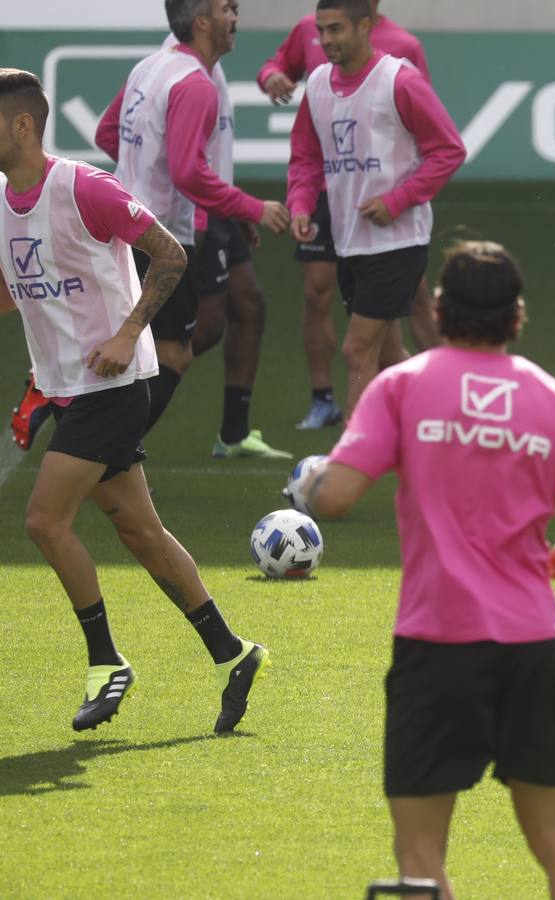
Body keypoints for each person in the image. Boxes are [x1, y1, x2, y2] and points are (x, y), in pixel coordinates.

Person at [301, 241, 555, 898]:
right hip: (530, 645)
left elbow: (336, 499)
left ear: (435, 307)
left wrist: (315, 478)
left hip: (436, 645)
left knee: (420, 851)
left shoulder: (400, 387)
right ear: (517, 315)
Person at [0, 68, 269, 734]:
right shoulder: (3, 200)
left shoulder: (83, 187)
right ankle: (232, 653)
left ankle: (106, 661)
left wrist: (127, 332)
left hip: (114, 385)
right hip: (70, 386)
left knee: (44, 521)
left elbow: (170, 254)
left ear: (22, 125)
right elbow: (22, 287)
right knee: (140, 531)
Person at [93, 0, 292, 448]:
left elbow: (108, 133)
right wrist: (252, 207)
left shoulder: (151, 66)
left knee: (146, 346)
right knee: (172, 354)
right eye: (227, 9)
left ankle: (104, 453)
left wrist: (138, 176)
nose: (235, 17)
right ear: (202, 22)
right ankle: (103, 456)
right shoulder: (197, 85)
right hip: (162, 238)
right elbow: (187, 172)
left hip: (127, 227)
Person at [260, 0, 440, 429]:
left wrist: (396, 200)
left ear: (366, 25)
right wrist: (301, 204)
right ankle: (443, 419)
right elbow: (305, 153)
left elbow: (445, 150)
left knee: (358, 350)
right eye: (322, 30)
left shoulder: (401, 75)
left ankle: (348, 462)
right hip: (348, 235)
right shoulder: (319, 83)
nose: (325, 40)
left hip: (396, 238)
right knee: (389, 354)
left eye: (336, 29)